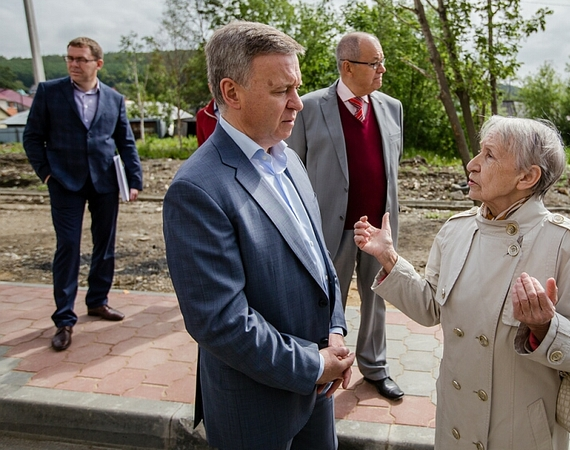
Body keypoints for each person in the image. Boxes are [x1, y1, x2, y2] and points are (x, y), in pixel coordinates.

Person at [354, 116, 570, 450]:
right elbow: (430, 308)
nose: (472, 165)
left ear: (527, 177)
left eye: (489, 155)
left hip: (519, 433)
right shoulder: (455, 230)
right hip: (455, 422)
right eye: (478, 153)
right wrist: (389, 258)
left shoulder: (566, 244)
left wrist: (546, 328)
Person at [162, 21, 355, 450]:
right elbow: (221, 321)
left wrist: (336, 333)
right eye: (280, 90)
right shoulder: (196, 189)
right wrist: (313, 363)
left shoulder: (288, 159)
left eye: (297, 86)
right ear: (231, 93)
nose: (298, 103)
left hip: (317, 390)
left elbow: (319, 260)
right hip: (254, 408)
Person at [285, 32, 404, 400]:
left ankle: (375, 366)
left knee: (378, 297)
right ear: (347, 67)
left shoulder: (391, 107)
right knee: (321, 299)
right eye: (375, 63)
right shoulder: (308, 107)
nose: (382, 69)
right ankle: (321, 365)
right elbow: (293, 171)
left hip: (378, 228)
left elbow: (390, 167)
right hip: (328, 229)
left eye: (382, 61)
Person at [23, 37, 142, 352]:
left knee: (105, 245)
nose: (73, 64)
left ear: (97, 64)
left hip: (104, 182)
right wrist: (46, 173)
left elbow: (125, 142)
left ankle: (98, 301)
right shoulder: (50, 93)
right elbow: (32, 137)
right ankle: (64, 319)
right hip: (64, 182)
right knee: (68, 247)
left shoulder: (114, 99)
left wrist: (134, 179)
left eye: (80, 59)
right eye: (70, 58)